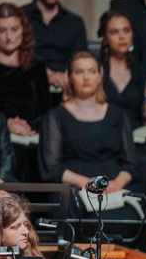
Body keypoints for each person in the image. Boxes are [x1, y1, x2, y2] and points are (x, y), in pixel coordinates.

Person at [40, 52, 136, 217]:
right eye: (79, 72)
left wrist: (116, 184)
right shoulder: (56, 116)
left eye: (92, 71)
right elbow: (52, 168)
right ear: (70, 77)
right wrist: (89, 183)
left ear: (99, 76)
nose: (86, 77)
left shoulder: (118, 115)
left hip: (113, 187)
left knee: (126, 216)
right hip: (74, 187)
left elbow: (131, 163)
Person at [0, 3, 51, 140]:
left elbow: (46, 112)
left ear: (23, 30)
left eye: (14, 29)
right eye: (1, 30)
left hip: (31, 136)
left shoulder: (37, 66)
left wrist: (28, 127)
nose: (9, 37)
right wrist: (5, 123)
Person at [23, 0, 88, 92]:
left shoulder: (74, 22)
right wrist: (46, 74)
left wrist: (64, 76)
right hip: (27, 87)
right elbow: (14, 57)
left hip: (66, 90)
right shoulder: (20, 18)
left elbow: (81, 61)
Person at [98, 8, 146, 126]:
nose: (122, 36)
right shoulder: (95, 69)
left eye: (126, 30)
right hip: (100, 136)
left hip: (135, 138)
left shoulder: (142, 72)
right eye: (114, 31)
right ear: (104, 37)